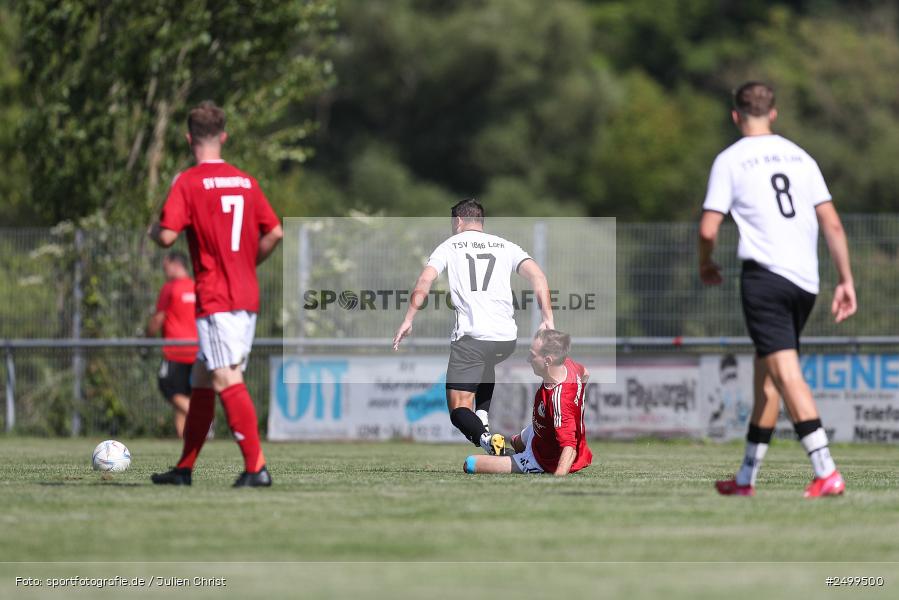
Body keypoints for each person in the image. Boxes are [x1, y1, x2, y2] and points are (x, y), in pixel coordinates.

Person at [699, 81, 857, 498]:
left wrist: (704, 261)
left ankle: (826, 469)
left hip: (765, 277)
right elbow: (833, 224)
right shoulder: (802, 157)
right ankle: (746, 478)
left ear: (736, 116)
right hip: (806, 281)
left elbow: (708, 227)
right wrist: (846, 279)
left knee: (785, 374)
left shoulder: (730, 159)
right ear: (773, 113)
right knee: (767, 377)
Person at [148, 101, 283, 487]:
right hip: (245, 294)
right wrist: (247, 264)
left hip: (217, 298)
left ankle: (256, 468)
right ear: (223, 137)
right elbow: (274, 232)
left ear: (189, 138)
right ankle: (184, 469)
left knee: (225, 377)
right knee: (203, 379)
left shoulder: (188, 181)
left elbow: (168, 235)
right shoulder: (245, 181)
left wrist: (153, 232)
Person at [393, 198, 554, 455]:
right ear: (480, 221)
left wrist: (408, 319)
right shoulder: (505, 246)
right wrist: (548, 319)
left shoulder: (449, 246)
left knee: (457, 409)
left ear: (458, 221)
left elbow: (425, 279)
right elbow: (538, 276)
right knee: (486, 362)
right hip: (506, 339)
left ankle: (486, 439)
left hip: (472, 338)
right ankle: (483, 414)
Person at [463, 329, 592, 476]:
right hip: (542, 430)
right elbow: (585, 373)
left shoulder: (560, 401)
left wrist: (558, 478)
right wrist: (576, 401)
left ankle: (522, 461)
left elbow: (569, 447)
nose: (528, 359)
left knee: (470, 463)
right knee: (515, 442)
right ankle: (515, 456)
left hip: (542, 459)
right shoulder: (568, 365)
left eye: (533, 355)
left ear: (548, 360)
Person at [146, 251, 198, 438]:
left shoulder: (170, 288)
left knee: (166, 387)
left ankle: (202, 418)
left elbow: (158, 319)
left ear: (175, 264)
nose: (164, 271)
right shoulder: (196, 287)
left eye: (165, 266)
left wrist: (147, 337)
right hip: (197, 351)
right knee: (183, 395)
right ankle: (186, 444)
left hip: (175, 352)